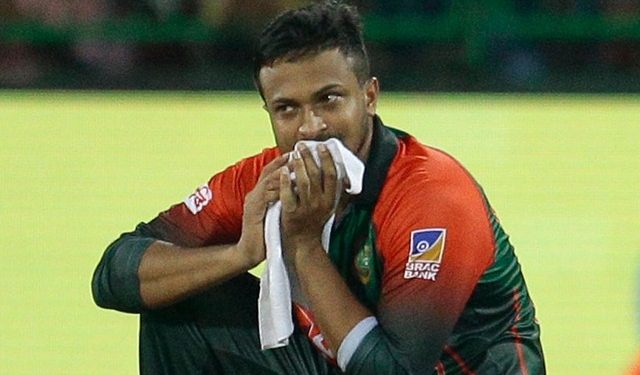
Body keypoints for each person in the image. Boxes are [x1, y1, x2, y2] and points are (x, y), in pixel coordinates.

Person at [92, 1, 546, 373]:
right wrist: (239, 254)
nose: (311, 128)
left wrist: (303, 246)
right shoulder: (265, 179)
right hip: (344, 362)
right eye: (287, 109)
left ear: (369, 96)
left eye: (328, 99)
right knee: (177, 304)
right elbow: (112, 275)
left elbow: (396, 372)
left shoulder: (431, 195)